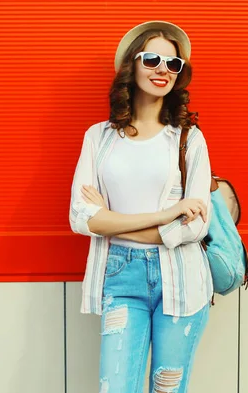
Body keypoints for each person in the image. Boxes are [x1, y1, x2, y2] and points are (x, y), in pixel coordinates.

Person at [69, 20, 213, 393]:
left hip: (181, 279)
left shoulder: (188, 139)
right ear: (131, 66)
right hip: (121, 276)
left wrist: (113, 221)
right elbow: (81, 217)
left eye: (172, 64)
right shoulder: (99, 137)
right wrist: (165, 214)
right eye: (151, 60)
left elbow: (195, 226)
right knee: (116, 387)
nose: (162, 70)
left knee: (167, 388)